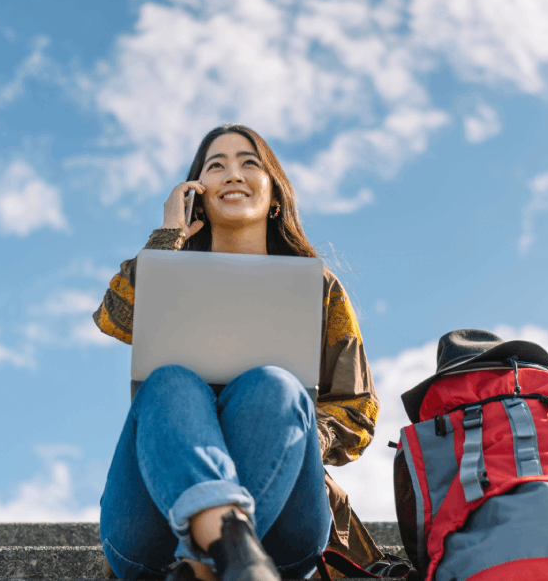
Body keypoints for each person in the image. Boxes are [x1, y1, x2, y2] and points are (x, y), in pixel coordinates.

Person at [93, 124, 381, 581]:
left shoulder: (318, 287)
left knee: (275, 387)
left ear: (275, 195)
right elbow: (114, 317)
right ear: (197, 196)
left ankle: (206, 562)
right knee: (169, 381)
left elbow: (357, 410)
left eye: (250, 163)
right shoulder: (168, 274)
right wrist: (169, 236)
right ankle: (224, 558)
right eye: (215, 166)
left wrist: (295, 436)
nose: (232, 174)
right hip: (151, 530)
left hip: (284, 530)